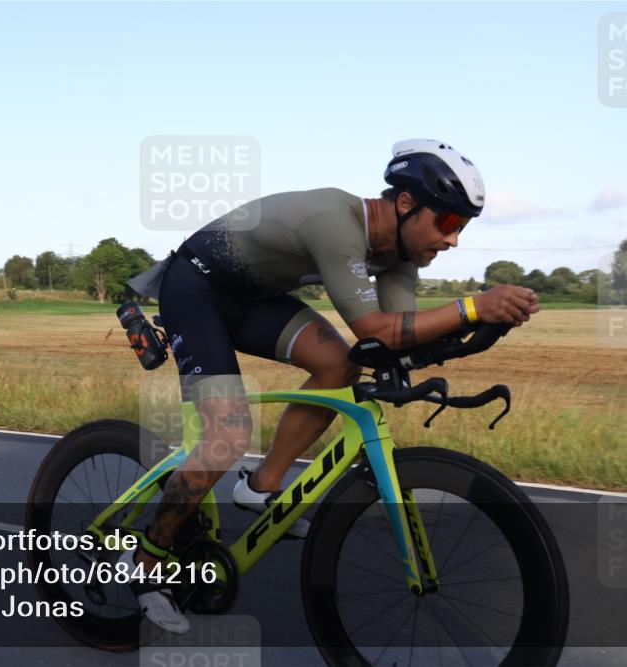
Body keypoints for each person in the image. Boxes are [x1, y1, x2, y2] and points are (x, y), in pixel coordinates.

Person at [120, 139, 540, 633]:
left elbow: (398, 336)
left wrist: (479, 330)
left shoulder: (399, 256)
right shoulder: (337, 222)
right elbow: (375, 329)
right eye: (447, 223)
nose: (452, 241)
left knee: (341, 366)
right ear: (405, 204)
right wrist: (472, 308)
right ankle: (147, 559)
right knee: (227, 436)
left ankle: (261, 486)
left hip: (251, 298)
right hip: (194, 288)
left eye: (461, 228)